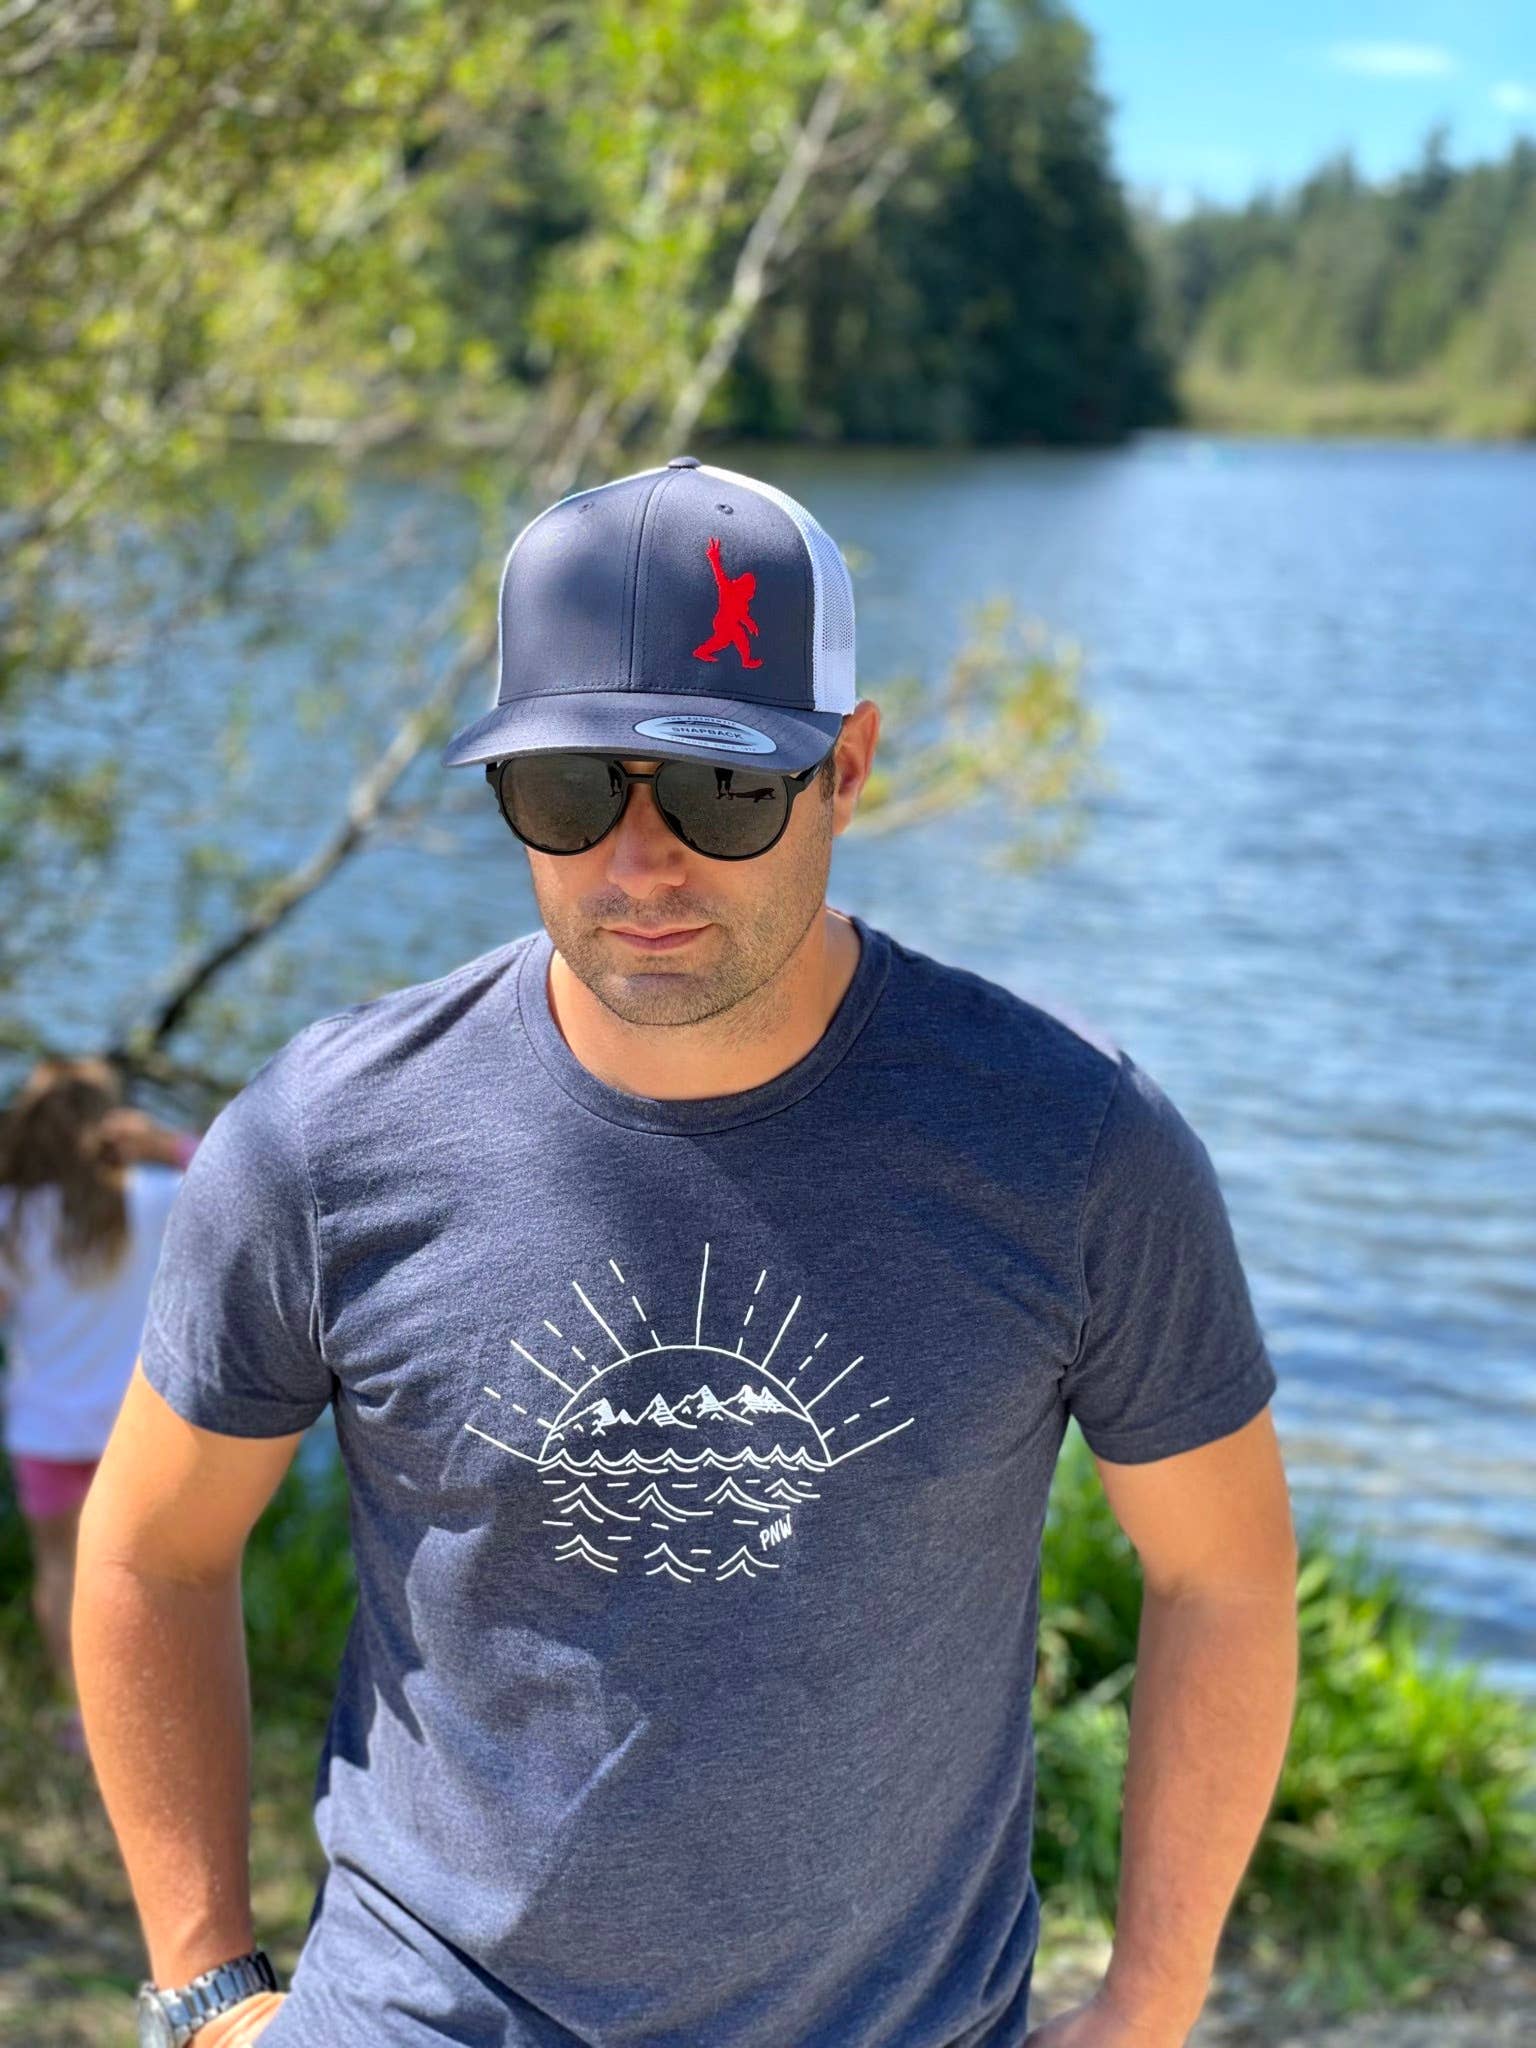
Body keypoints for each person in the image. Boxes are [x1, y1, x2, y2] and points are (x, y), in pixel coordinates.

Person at [76, 454, 1298, 2048]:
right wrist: (206, 1986)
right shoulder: (326, 1139)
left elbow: (1222, 1574)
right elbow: (150, 1550)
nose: (639, 863)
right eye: (569, 791)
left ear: (847, 769)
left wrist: (1150, 1999)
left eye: (723, 791)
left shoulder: (1070, 1146)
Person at [0, 1056, 199, 1756]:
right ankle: (155, 1712)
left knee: (61, 1571)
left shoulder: (12, 1215)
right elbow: (241, 1175)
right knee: (150, 1576)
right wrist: (165, 1143)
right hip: (137, 1431)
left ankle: (87, 1720)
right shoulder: (154, 1196)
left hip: (45, 1430)